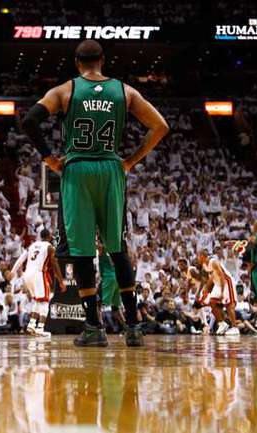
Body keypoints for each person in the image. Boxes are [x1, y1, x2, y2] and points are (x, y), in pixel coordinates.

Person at [21, 39, 169, 347]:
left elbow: (30, 120)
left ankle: (93, 327)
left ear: (77, 63)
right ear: (103, 60)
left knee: (83, 252)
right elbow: (160, 126)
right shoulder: (125, 91)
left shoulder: (65, 90)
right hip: (111, 169)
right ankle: (133, 327)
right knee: (117, 248)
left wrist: (50, 159)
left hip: (77, 170)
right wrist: (130, 160)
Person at [10, 229, 64, 337]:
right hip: (38, 274)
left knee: (37, 301)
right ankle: (40, 328)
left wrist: (13, 271)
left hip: (27, 274)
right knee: (45, 302)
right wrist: (61, 281)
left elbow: (22, 257)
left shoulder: (32, 245)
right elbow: (54, 264)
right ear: (49, 236)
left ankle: (31, 324)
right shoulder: (49, 247)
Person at [198, 252, 240, 335]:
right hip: (218, 284)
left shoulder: (213, 262)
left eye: (199, 256)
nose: (198, 258)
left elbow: (222, 276)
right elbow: (212, 277)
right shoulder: (205, 266)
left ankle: (235, 328)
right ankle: (222, 323)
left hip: (227, 282)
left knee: (229, 305)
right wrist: (206, 288)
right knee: (211, 302)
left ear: (203, 256)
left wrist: (222, 292)